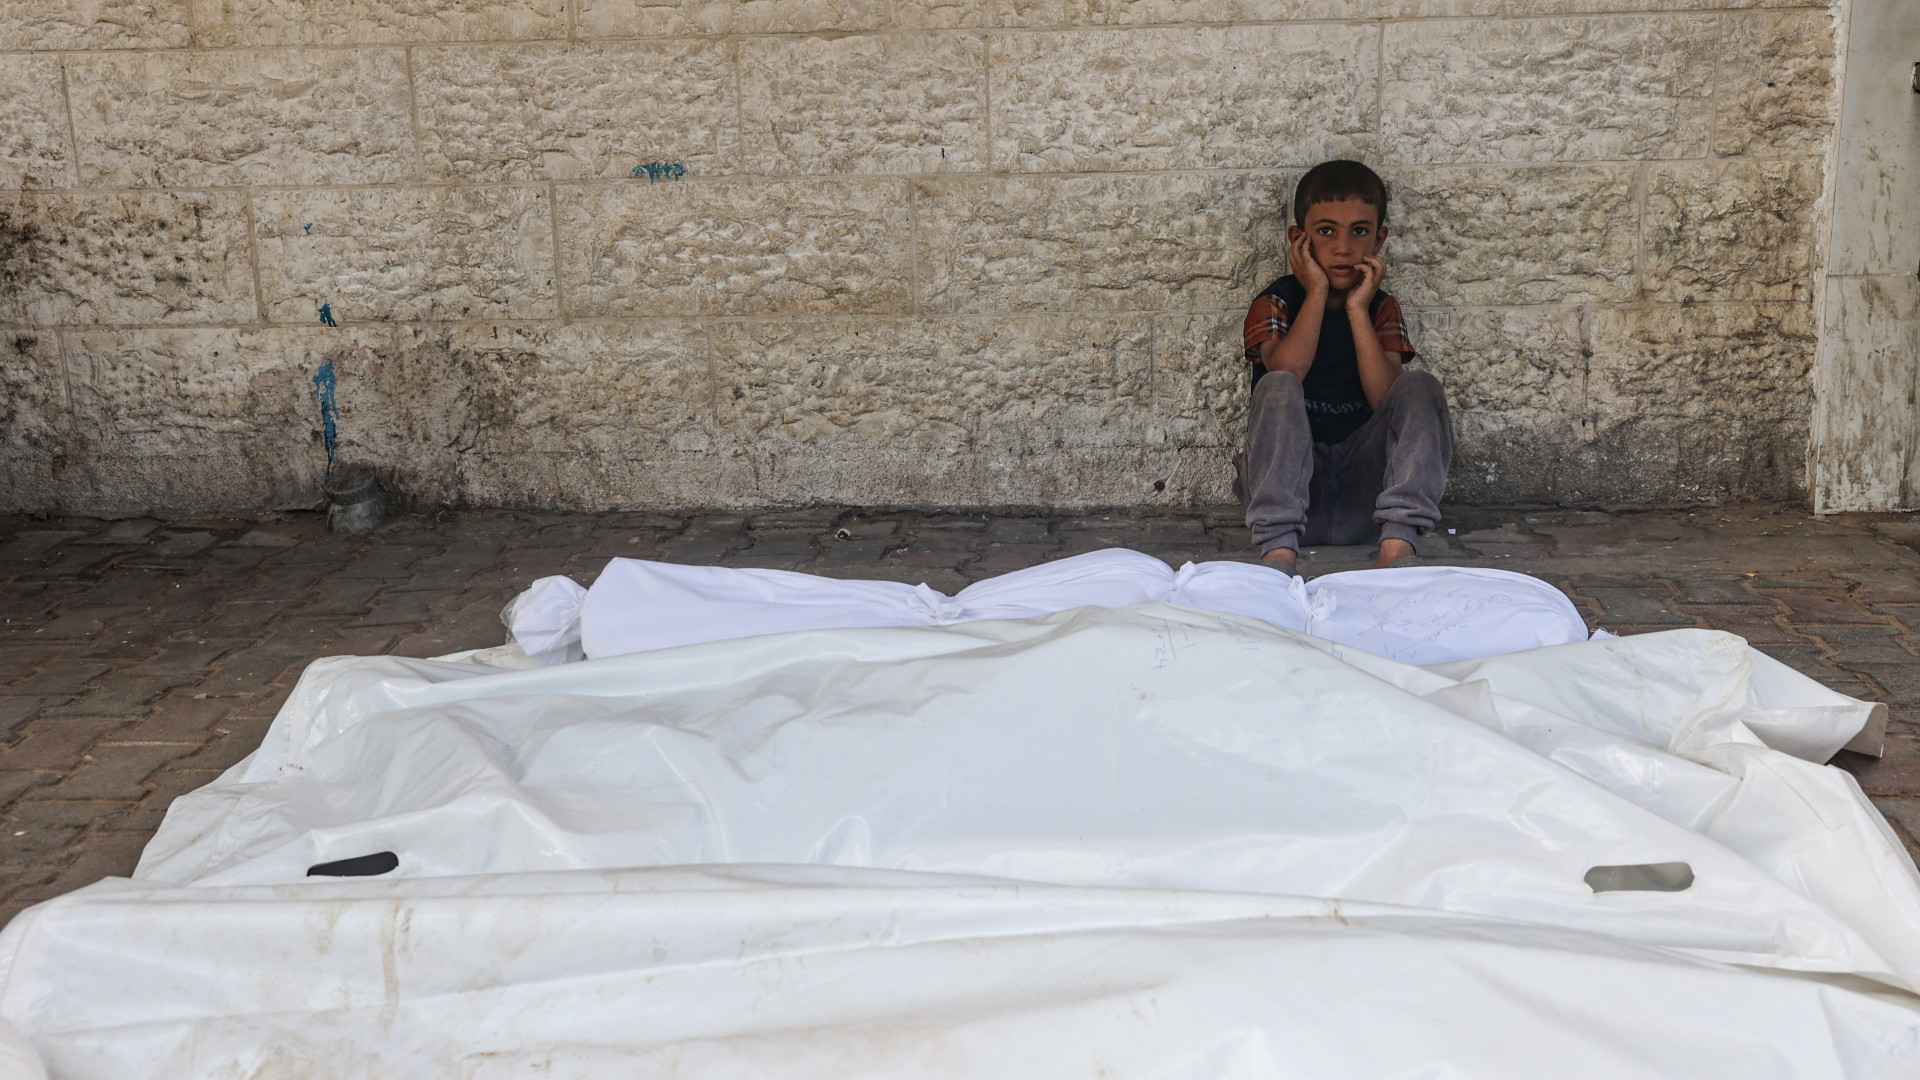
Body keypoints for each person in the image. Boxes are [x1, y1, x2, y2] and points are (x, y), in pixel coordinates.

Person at [1237, 160, 1453, 574]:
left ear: (1379, 239)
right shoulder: (1276, 301)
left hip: (1367, 500)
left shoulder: (1380, 306)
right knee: (1278, 385)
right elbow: (1286, 371)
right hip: (1294, 494)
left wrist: (1357, 308)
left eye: (1359, 231)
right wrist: (1316, 290)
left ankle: (1397, 546)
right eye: (1325, 231)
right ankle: (1278, 555)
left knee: (1421, 387)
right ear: (1299, 239)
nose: (1342, 247)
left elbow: (1385, 398)